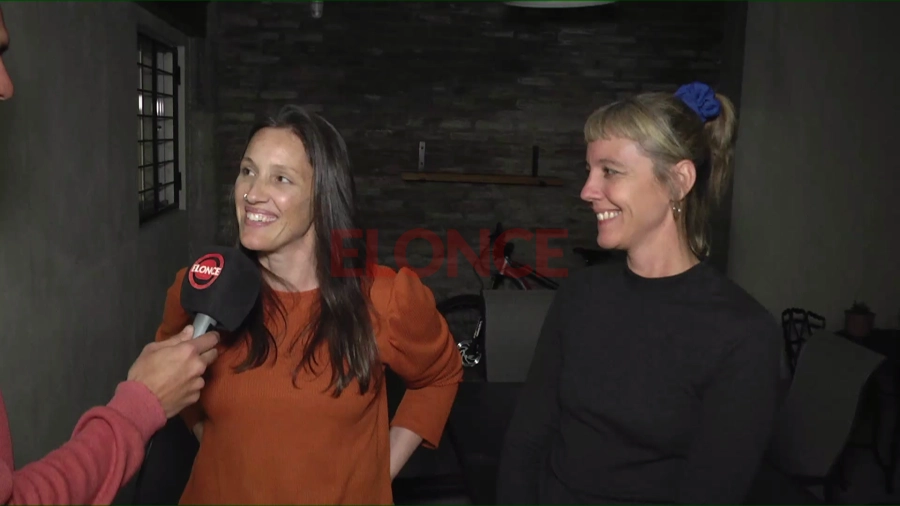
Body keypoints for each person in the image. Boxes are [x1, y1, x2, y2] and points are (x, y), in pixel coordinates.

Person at [154, 104, 464, 504]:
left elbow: (441, 376)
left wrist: (377, 474)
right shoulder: (202, 285)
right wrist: (215, 440)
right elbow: (169, 370)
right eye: (247, 171)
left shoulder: (385, 299)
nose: (252, 193)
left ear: (322, 198)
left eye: (281, 178)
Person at [495, 82, 783, 504]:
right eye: (589, 170)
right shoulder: (579, 296)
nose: (587, 191)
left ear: (678, 181)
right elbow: (527, 440)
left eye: (610, 171)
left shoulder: (743, 334)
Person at [0, 7, 221, 504]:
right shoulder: (192, 283)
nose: (7, 86)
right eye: (248, 171)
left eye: (283, 178)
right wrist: (143, 411)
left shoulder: (371, 297)